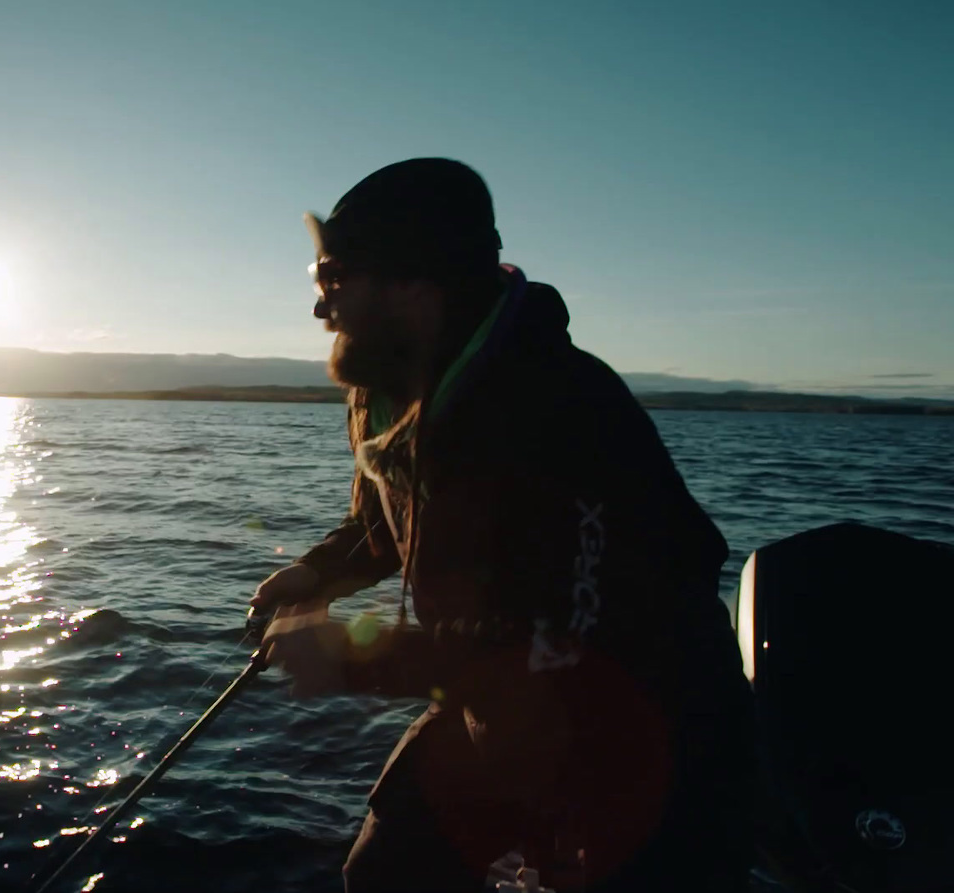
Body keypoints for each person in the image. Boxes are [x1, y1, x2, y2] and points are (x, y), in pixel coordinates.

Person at [253, 159, 756, 893]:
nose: (320, 307)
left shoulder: (564, 411)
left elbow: (567, 647)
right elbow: (388, 524)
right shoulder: (389, 389)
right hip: (497, 702)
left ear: (414, 286)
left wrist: (356, 660)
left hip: (650, 734)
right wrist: (316, 573)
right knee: (390, 874)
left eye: (332, 279)